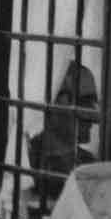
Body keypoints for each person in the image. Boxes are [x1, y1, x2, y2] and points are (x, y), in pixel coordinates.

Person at [27, 61, 99, 203]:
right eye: (84, 101)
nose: (95, 117)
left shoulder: (89, 166)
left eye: (93, 102)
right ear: (53, 102)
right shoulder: (25, 167)